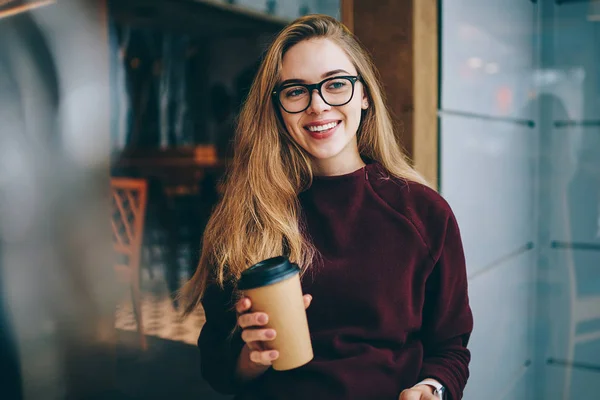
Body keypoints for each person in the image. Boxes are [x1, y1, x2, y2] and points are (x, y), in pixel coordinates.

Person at [181, 14, 473, 400]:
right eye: (295, 91)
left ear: (364, 94)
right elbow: (217, 369)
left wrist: (430, 389)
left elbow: (450, 346)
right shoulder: (246, 218)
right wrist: (252, 356)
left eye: (336, 84)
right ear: (277, 108)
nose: (317, 105)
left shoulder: (424, 213)